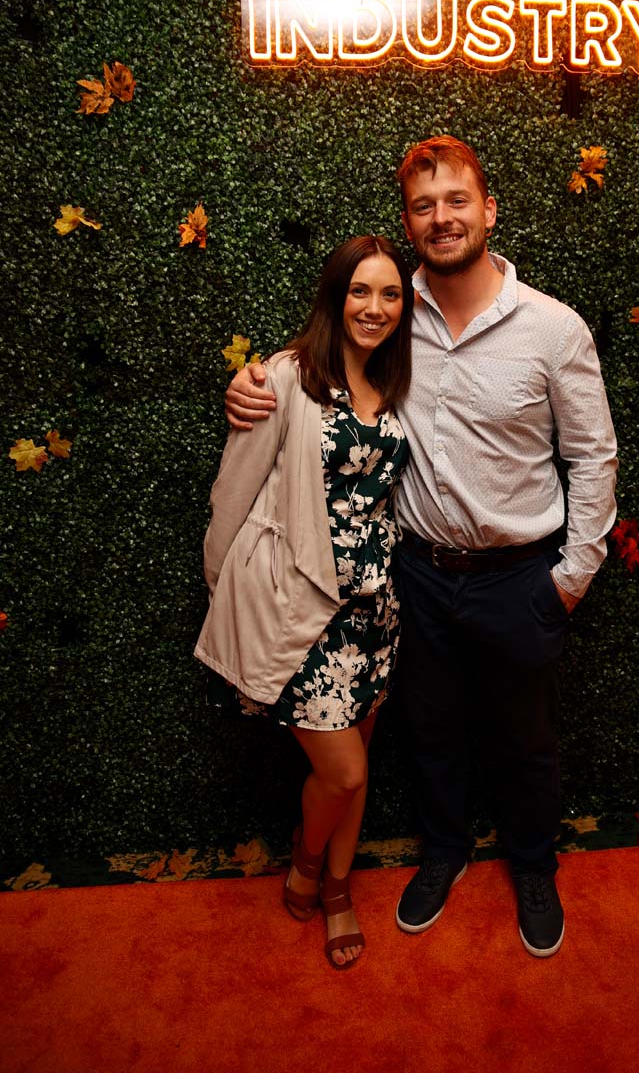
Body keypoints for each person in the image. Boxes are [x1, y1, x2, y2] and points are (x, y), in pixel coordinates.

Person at [224, 137, 618, 958]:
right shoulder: (396, 316)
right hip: (415, 576)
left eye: (456, 201)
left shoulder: (552, 327)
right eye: (423, 206)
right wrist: (251, 381)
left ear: (488, 210)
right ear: (408, 223)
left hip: (519, 576)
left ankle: (533, 868)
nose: (441, 218)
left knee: (525, 742)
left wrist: (572, 576)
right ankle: (443, 855)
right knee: (430, 734)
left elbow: (592, 456)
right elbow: (318, 355)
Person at [195, 234, 413, 969]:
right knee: (342, 771)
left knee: (359, 764)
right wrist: (229, 592)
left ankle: (339, 888)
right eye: (360, 291)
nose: (375, 307)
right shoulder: (287, 376)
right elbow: (232, 492)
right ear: (334, 296)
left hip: (374, 613)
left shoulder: (397, 381)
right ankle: (307, 861)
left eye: (390, 294)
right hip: (301, 608)